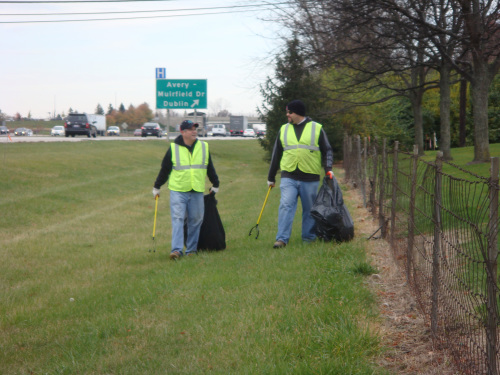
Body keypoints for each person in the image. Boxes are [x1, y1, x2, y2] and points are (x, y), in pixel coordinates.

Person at [267, 100, 334, 248]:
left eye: (289, 112)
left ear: (297, 113)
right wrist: (271, 177)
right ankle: (282, 239)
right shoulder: (283, 129)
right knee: (285, 205)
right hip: (288, 176)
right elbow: (276, 154)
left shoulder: (317, 128)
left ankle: (308, 238)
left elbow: (327, 150)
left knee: (309, 209)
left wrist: (328, 168)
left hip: (310, 177)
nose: (287, 115)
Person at [152, 120, 220, 259]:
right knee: (178, 218)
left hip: (196, 190)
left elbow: (209, 167)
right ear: (182, 132)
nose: (194, 131)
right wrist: (157, 186)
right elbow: (165, 169)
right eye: (190, 129)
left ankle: (191, 250)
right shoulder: (173, 148)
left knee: (195, 220)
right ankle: (176, 250)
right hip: (178, 189)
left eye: (195, 128)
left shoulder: (203, 146)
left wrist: (215, 183)